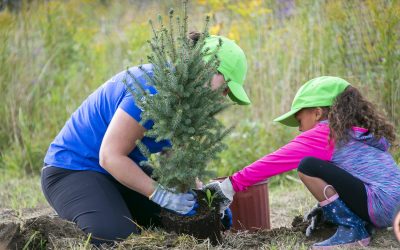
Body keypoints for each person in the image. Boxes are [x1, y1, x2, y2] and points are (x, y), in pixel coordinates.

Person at [41, 33, 251, 245]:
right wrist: (162, 195)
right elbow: (109, 156)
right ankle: (86, 209)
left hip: (118, 173)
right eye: (225, 87)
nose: (223, 97)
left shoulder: (187, 99)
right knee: (116, 237)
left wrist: (204, 198)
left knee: (178, 219)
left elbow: (176, 158)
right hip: (72, 171)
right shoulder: (152, 89)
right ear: (205, 68)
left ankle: (105, 206)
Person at [205, 76, 400, 249]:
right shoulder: (354, 133)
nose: (299, 129)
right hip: (392, 206)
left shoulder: (325, 134)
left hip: (380, 204)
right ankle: (355, 221)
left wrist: (230, 186)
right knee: (321, 167)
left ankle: (352, 228)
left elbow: (274, 162)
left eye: (299, 120)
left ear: (317, 113)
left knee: (308, 166)